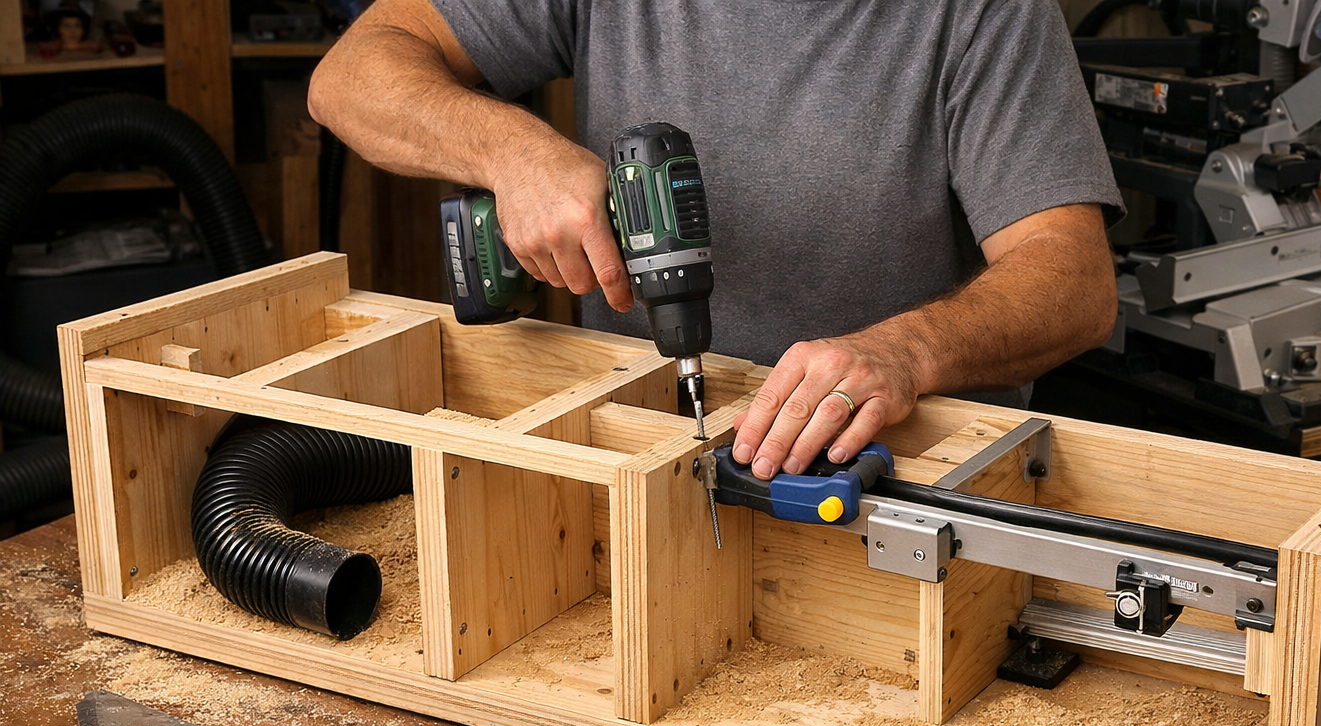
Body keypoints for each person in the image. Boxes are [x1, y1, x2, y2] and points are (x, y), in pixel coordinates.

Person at [309, 0, 1122, 480]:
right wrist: (511, 151)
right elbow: (351, 77)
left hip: (895, 480)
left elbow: (1074, 280)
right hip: (642, 452)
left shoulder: (984, 13)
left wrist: (907, 351)